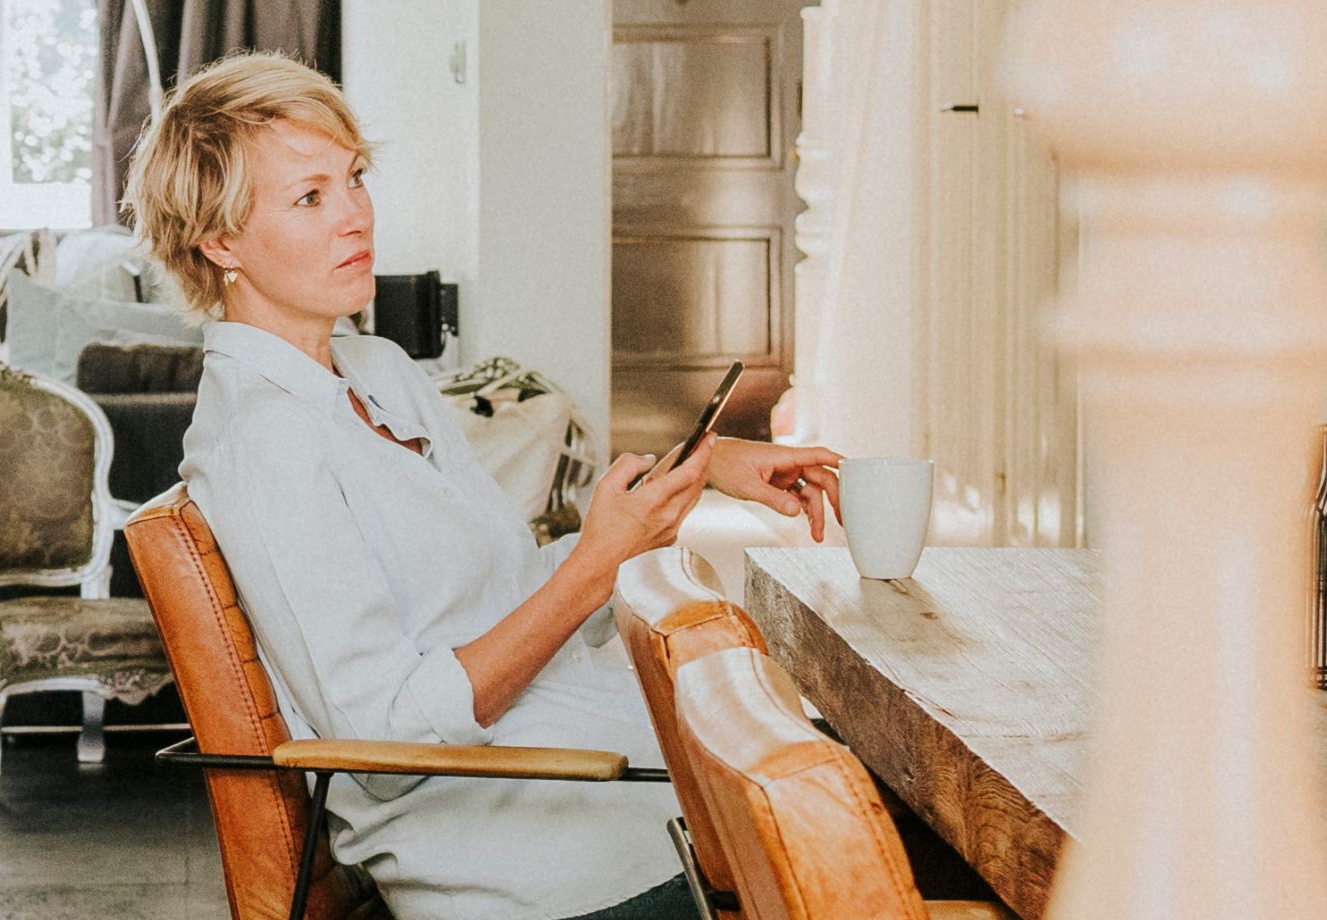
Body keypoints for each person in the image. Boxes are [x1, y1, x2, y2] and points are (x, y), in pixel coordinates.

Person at [131, 52, 845, 920]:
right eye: (309, 197)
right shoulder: (260, 444)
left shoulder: (374, 368)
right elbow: (384, 738)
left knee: (872, 793)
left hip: (636, 790)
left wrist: (695, 472)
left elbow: (502, 592)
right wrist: (595, 565)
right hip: (547, 864)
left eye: (354, 178)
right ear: (219, 241)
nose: (355, 215)